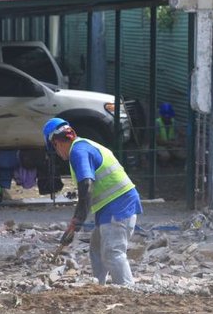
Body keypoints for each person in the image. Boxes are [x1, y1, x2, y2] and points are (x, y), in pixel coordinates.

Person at [43, 118, 142, 286]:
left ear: (56, 143)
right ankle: (99, 286)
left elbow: (86, 185)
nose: (58, 154)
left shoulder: (78, 151)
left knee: (113, 253)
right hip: (111, 206)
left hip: (118, 206)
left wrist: (77, 221)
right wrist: (76, 223)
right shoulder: (83, 145)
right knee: (96, 249)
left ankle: (128, 291)